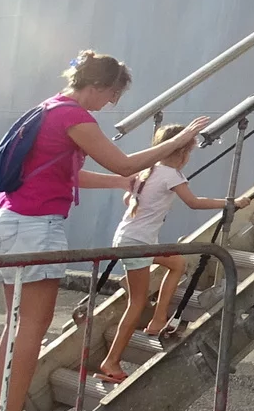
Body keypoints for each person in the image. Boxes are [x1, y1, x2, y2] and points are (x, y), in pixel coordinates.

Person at [0, 50, 207, 411]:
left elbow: (72, 173)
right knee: (31, 329)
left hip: (7, 222)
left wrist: (120, 185)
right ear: (100, 86)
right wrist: (179, 140)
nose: (110, 105)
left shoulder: (50, 109)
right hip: (35, 226)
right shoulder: (75, 117)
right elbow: (123, 163)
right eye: (113, 96)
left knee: (16, 328)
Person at [96, 123, 235, 382]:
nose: (189, 158)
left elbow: (130, 199)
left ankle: (158, 319)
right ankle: (111, 362)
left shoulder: (148, 170)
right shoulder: (172, 175)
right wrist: (230, 203)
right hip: (140, 243)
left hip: (129, 238)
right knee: (136, 303)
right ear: (181, 152)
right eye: (189, 152)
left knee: (177, 264)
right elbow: (194, 203)